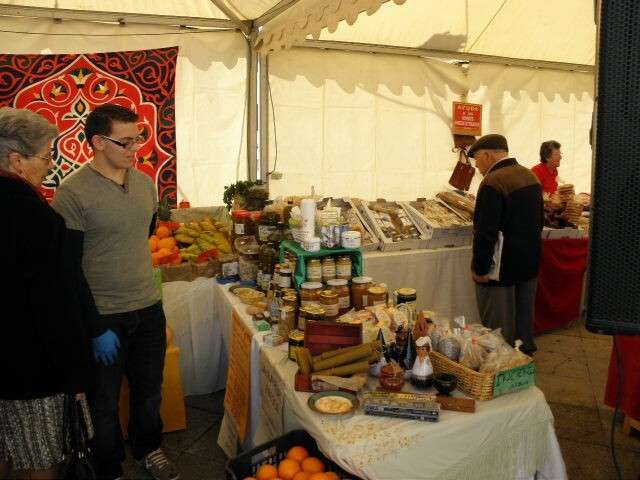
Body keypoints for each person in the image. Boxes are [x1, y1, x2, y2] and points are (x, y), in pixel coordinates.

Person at [52, 104, 178, 480]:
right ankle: (109, 467)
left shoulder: (145, 184)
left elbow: (142, 236)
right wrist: (93, 327)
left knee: (150, 390)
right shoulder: (72, 193)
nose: (135, 148)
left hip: (148, 307)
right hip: (103, 314)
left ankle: (148, 448)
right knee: (103, 402)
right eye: (125, 141)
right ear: (98, 143)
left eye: (138, 139)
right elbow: (68, 269)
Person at [0, 107, 93, 479]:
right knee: (42, 458)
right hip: (31, 367)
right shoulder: (38, 219)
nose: (50, 165)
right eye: (45, 156)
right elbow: (56, 306)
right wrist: (76, 374)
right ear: (17, 161)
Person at [468, 134, 543, 354]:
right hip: (528, 264)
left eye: (477, 159)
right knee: (523, 322)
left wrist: (480, 268)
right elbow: (540, 221)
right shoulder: (530, 175)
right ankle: (524, 361)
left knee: (498, 328)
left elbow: (485, 232)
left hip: (501, 268)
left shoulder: (493, 182)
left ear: (487, 155)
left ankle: (502, 365)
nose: (476, 165)